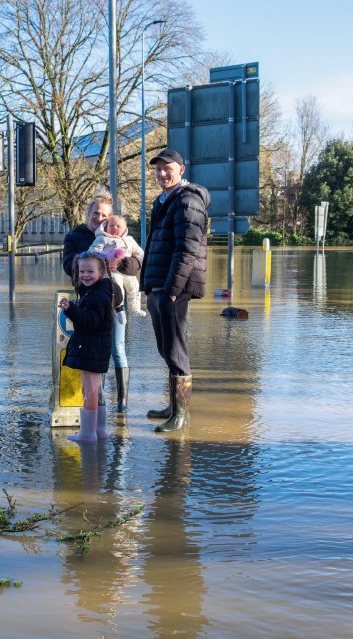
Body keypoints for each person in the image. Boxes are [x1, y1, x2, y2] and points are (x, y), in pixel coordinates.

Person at [139, 148, 209, 432]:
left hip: (173, 287)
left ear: (181, 169)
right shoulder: (163, 201)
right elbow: (156, 245)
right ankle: (173, 406)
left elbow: (187, 249)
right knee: (166, 348)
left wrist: (171, 289)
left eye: (167, 168)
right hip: (159, 285)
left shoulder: (188, 200)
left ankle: (181, 415)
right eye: (157, 169)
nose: (161, 173)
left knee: (176, 350)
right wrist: (148, 287)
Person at [63, 193, 138, 414]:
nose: (99, 218)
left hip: (115, 299)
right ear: (88, 213)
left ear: (110, 217)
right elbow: (68, 264)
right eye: (95, 213)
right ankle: (99, 399)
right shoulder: (76, 236)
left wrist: (120, 262)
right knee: (92, 348)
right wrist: (91, 262)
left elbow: (136, 264)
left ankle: (123, 399)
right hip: (90, 301)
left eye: (104, 215)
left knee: (117, 347)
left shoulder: (120, 235)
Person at [58, 250, 119, 442]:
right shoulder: (98, 291)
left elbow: (90, 321)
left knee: (89, 390)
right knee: (95, 389)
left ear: (100, 272)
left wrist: (71, 309)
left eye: (90, 271)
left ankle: (87, 433)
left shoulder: (97, 295)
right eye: (82, 271)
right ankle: (99, 431)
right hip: (95, 346)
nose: (85, 275)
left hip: (91, 346)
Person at [89, 215, 146, 318]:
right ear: (105, 227)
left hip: (126, 271)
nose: (114, 228)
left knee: (135, 287)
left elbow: (139, 253)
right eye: (111, 225)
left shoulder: (129, 240)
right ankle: (119, 310)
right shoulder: (102, 238)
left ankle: (135, 308)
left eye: (118, 226)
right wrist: (104, 261)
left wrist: (145, 265)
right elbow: (93, 252)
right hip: (112, 271)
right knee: (118, 289)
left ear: (124, 229)